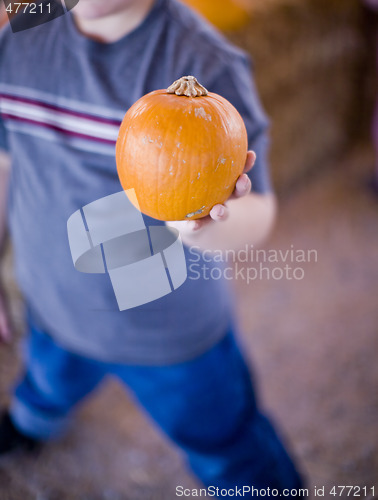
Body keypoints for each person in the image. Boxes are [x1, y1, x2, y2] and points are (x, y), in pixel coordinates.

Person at [0, 0, 304, 495]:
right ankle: (33, 420)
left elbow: (258, 213)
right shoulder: (20, 37)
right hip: (52, 302)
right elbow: (5, 161)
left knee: (223, 443)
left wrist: (204, 226)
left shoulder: (207, 62)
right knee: (48, 381)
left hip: (166, 333)